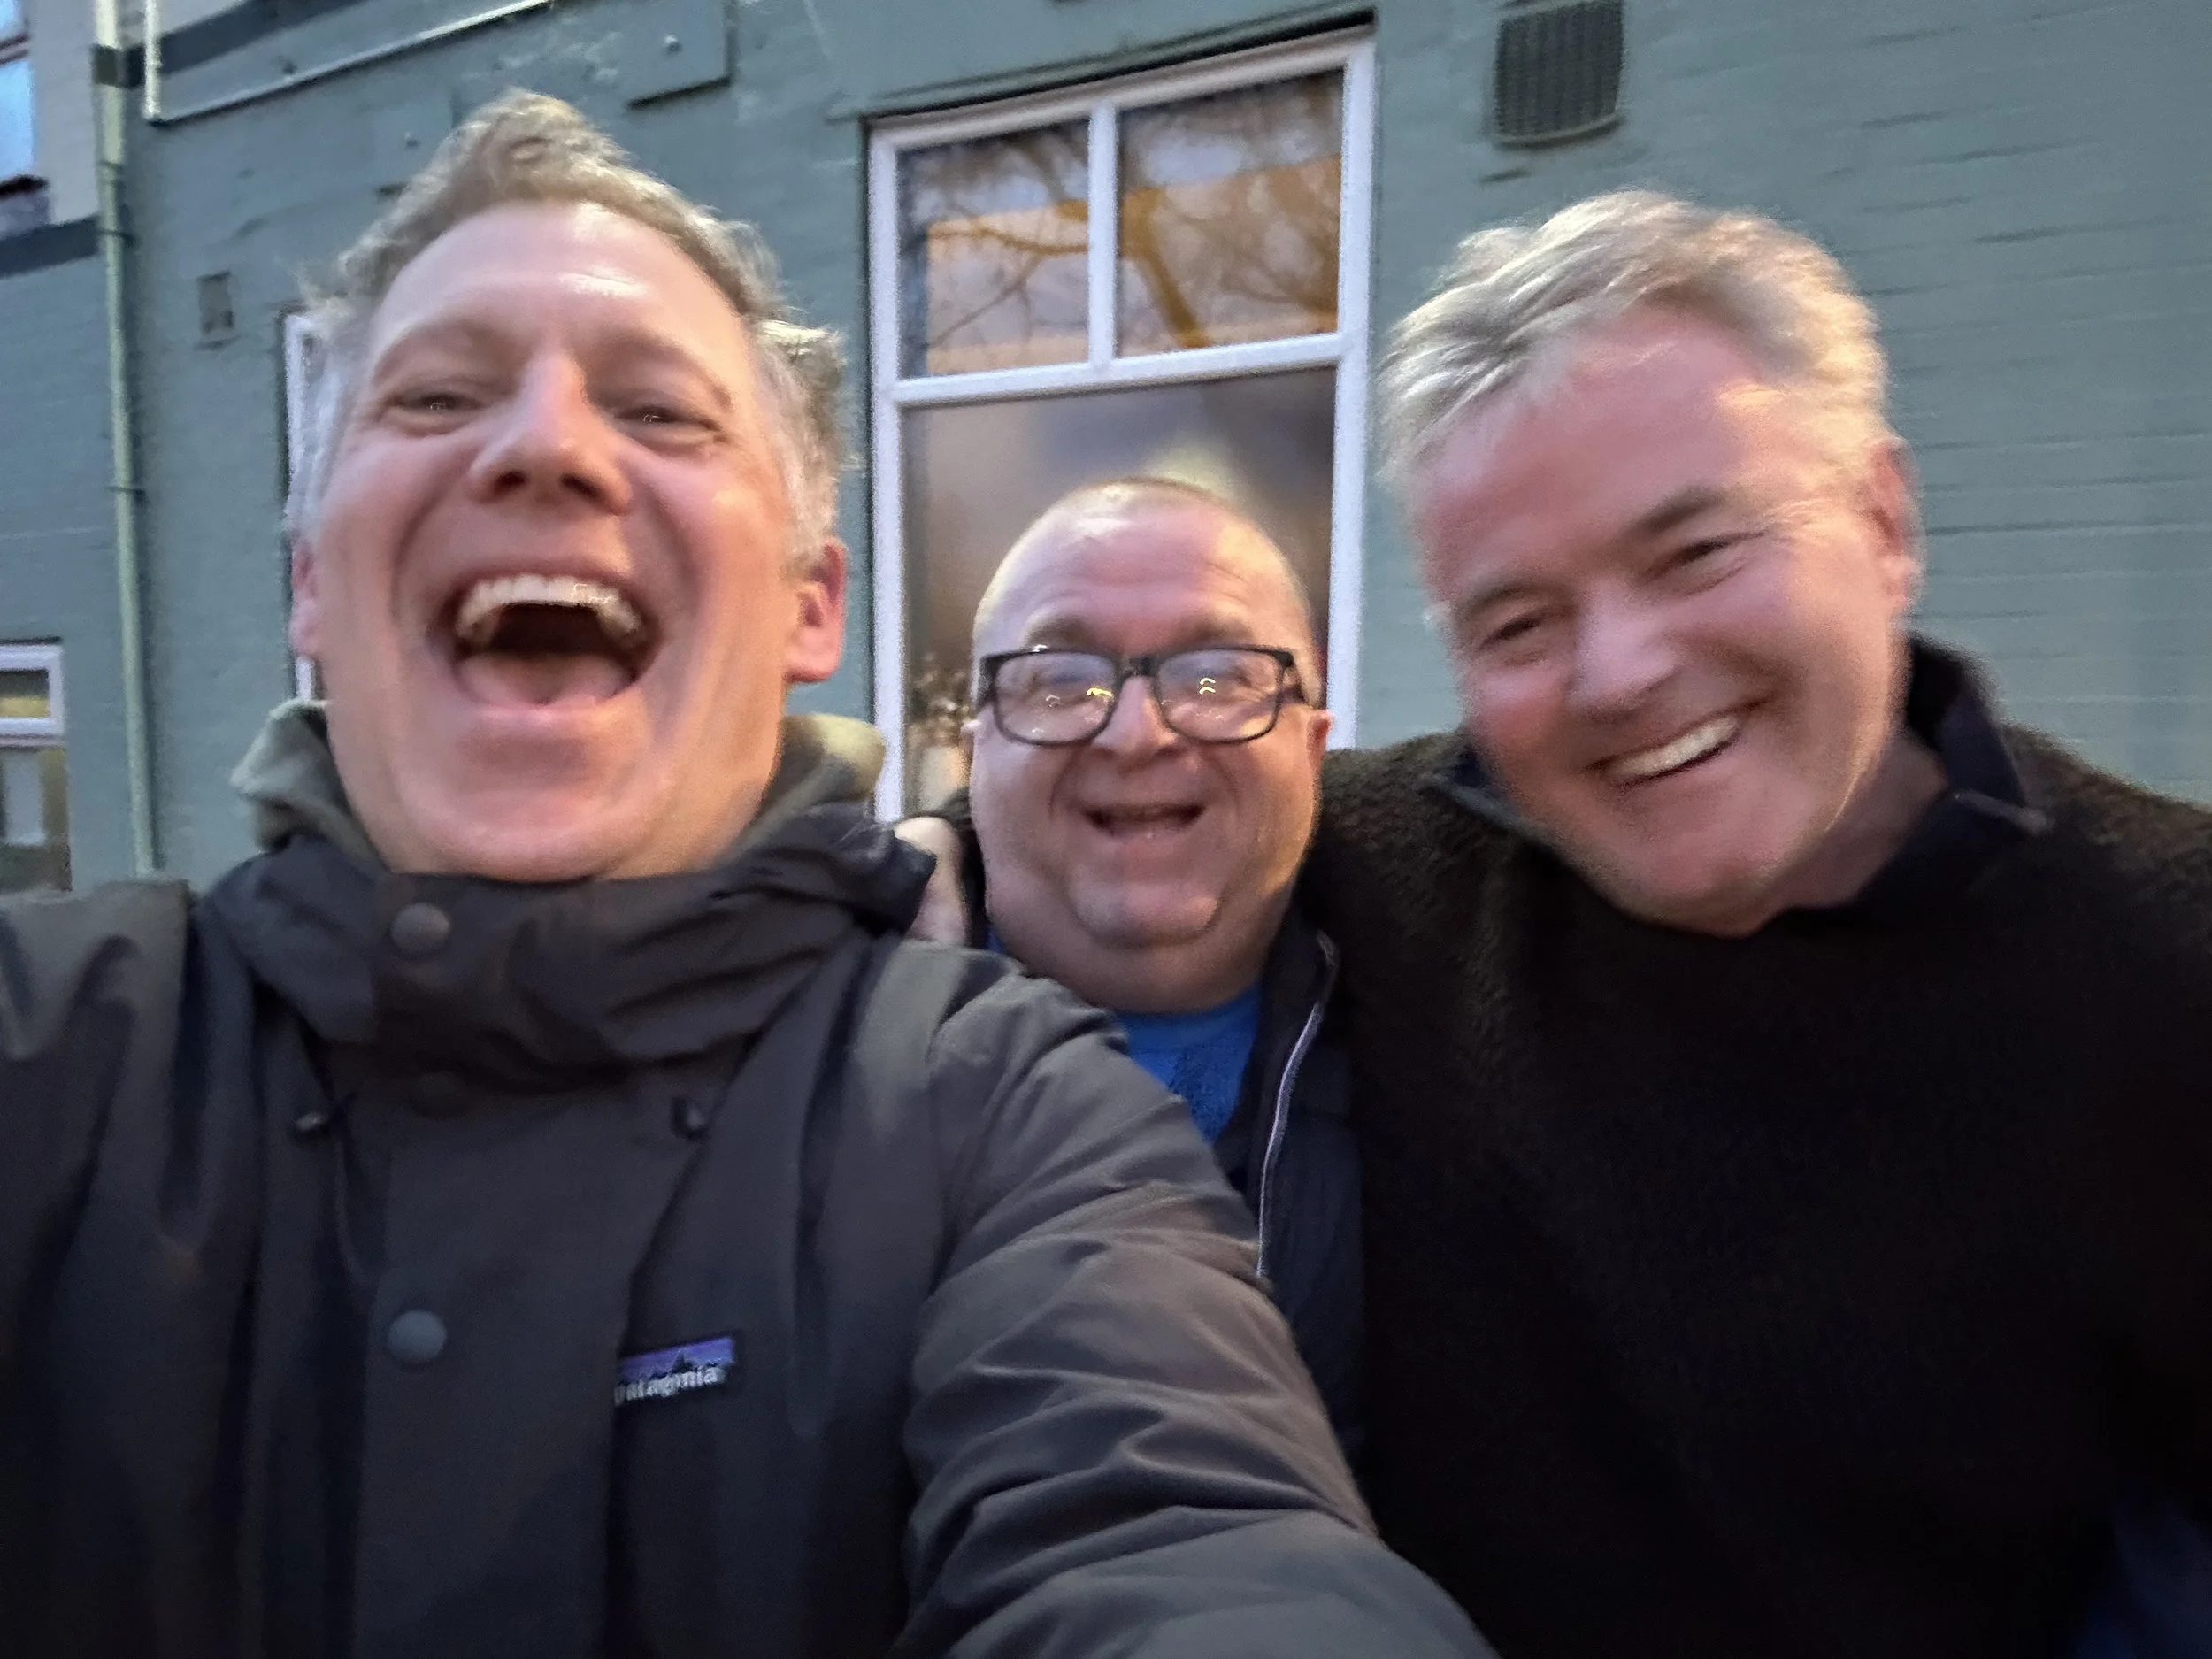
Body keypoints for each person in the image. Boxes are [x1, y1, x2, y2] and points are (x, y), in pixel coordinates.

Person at [0, 94, 1489, 1659]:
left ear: (810, 606)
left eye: (661, 411)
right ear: (309, 578)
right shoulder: (60, 1054)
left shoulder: (998, 1110)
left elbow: (1179, 1521)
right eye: (437, 395)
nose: (546, 443)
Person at [1302, 189, 2212, 1657]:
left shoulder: (2172, 966)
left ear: (1884, 520)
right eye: (1518, 623)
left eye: (1697, 552)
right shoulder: (1388, 867)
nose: (1617, 673)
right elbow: (1106, 820)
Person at [908, 479, 1362, 1447]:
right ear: (973, 755)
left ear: (1314, 748)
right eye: (1059, 681)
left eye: (1218, 678)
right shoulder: (821, 1041)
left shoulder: (1442, 1021)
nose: (1136, 732)